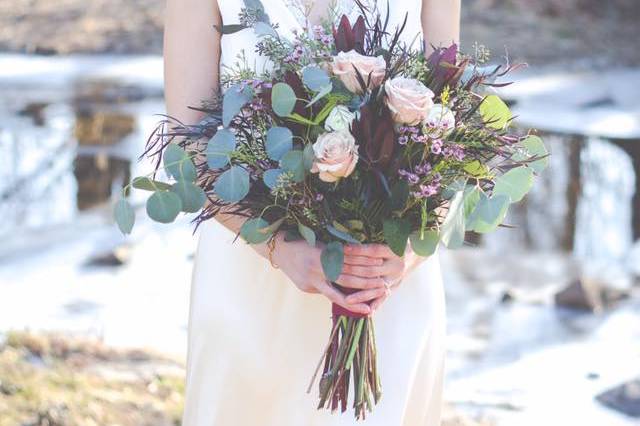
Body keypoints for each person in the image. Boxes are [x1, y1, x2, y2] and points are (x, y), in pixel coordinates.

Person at [164, 1, 460, 424]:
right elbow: (188, 148)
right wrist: (279, 249)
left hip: (388, 290)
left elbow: (453, 124)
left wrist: (410, 252)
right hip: (252, 284)